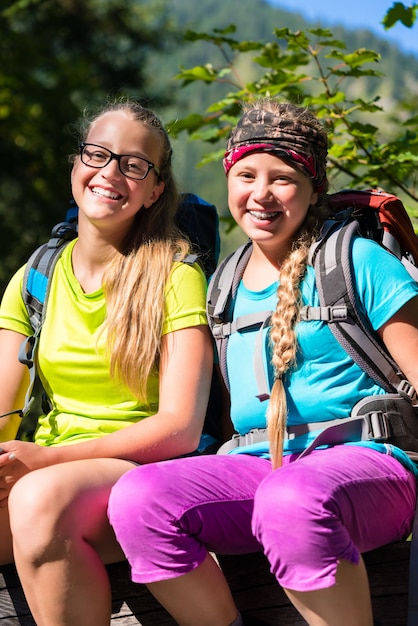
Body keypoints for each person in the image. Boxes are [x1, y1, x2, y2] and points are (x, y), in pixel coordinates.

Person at [107, 98, 418, 626]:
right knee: (140, 499)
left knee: (289, 498)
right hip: (258, 467)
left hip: (371, 463)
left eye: (283, 178)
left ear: (314, 186)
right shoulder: (222, 284)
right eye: (246, 174)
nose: (261, 194)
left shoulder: (357, 261)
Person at [0, 99, 213, 626]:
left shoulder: (175, 275)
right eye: (98, 154)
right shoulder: (35, 278)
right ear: (76, 165)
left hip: (143, 474)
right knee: (35, 496)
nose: (110, 173)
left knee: (38, 501)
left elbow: (181, 429)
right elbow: (2, 408)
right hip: (45, 473)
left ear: (155, 190)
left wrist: (47, 462)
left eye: (134, 164)